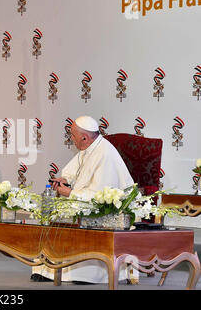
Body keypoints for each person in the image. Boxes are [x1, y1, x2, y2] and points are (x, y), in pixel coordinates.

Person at [31, 115, 134, 284]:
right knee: (51, 212)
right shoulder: (88, 149)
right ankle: (48, 269)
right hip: (82, 200)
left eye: (72, 135)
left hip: (107, 209)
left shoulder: (105, 153)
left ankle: (84, 274)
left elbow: (101, 196)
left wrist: (70, 193)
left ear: (84, 138)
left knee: (77, 214)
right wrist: (65, 181)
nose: (71, 139)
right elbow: (72, 174)